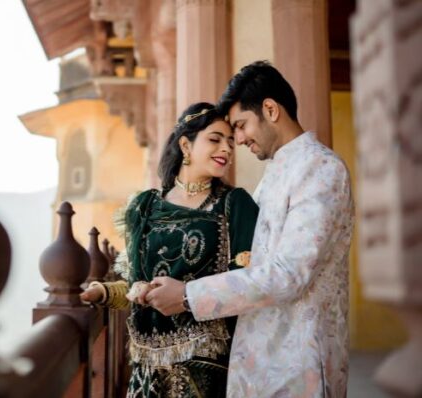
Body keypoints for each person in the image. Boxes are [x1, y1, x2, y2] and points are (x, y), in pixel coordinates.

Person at [145, 61, 355, 398]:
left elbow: (288, 275)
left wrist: (187, 296)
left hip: (297, 366)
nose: (237, 140)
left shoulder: (321, 169)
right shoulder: (275, 174)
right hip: (257, 365)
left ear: (270, 110)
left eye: (241, 126)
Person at [80, 102, 259, 397]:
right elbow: (135, 285)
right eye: (215, 139)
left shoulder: (235, 204)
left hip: (207, 368)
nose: (227, 149)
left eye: (230, 141)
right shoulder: (144, 206)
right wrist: (101, 292)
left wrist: (187, 294)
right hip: (146, 371)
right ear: (185, 145)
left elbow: (247, 282)